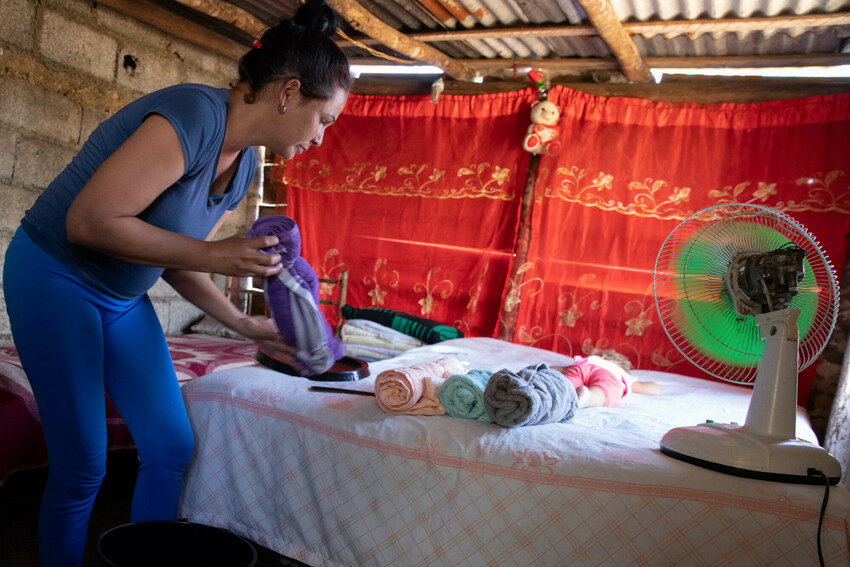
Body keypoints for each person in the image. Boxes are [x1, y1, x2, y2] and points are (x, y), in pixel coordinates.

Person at [1, 1, 352, 565]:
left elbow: (177, 259)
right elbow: (89, 221)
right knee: (84, 463)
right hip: (54, 274)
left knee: (171, 445)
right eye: (324, 120)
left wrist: (242, 323)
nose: (320, 137)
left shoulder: (242, 169)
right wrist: (217, 253)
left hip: (119, 298)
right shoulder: (194, 115)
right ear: (289, 93)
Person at [551, 351, 661, 409]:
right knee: (604, 392)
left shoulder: (590, 360)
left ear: (601, 356)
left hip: (583, 369)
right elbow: (655, 389)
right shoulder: (621, 374)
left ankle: (558, 392)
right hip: (608, 376)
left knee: (566, 383)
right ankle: (589, 397)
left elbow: (557, 369)